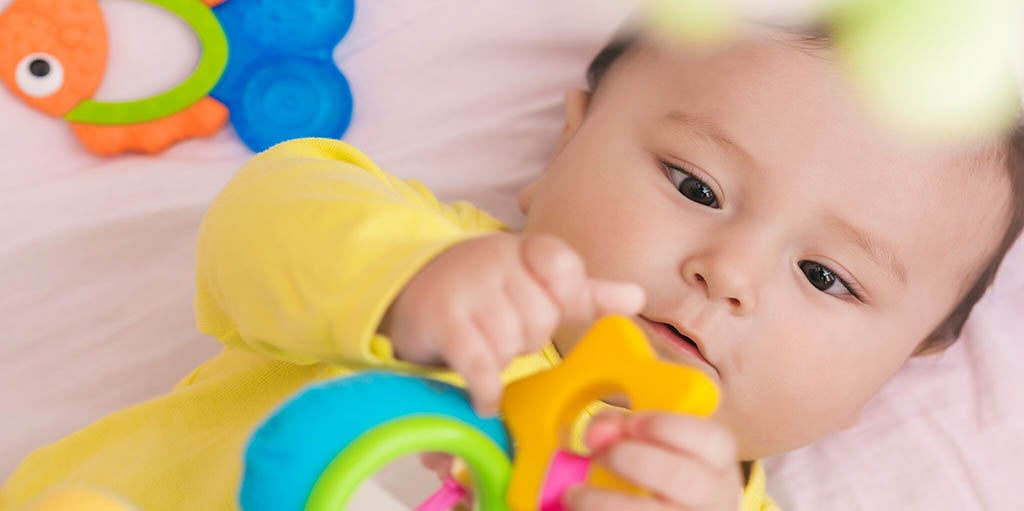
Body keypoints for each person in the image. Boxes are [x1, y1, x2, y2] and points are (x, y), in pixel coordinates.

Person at [4, 25, 1022, 511]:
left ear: (915, 351)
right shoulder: (426, 249)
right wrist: (413, 280)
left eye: (828, 277)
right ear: (564, 145)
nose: (728, 274)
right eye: (695, 186)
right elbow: (258, 228)